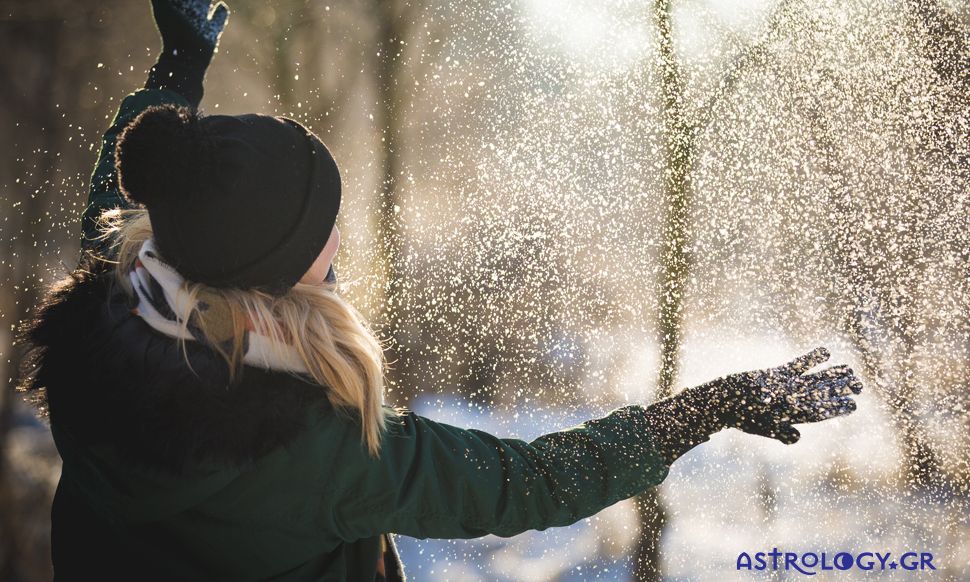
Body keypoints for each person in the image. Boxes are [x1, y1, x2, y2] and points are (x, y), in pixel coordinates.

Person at [15, 1, 863, 580]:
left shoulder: (107, 330)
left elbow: (120, 204)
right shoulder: (324, 455)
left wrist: (179, 69)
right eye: (319, 240)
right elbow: (527, 481)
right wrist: (703, 410)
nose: (337, 243)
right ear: (264, 280)